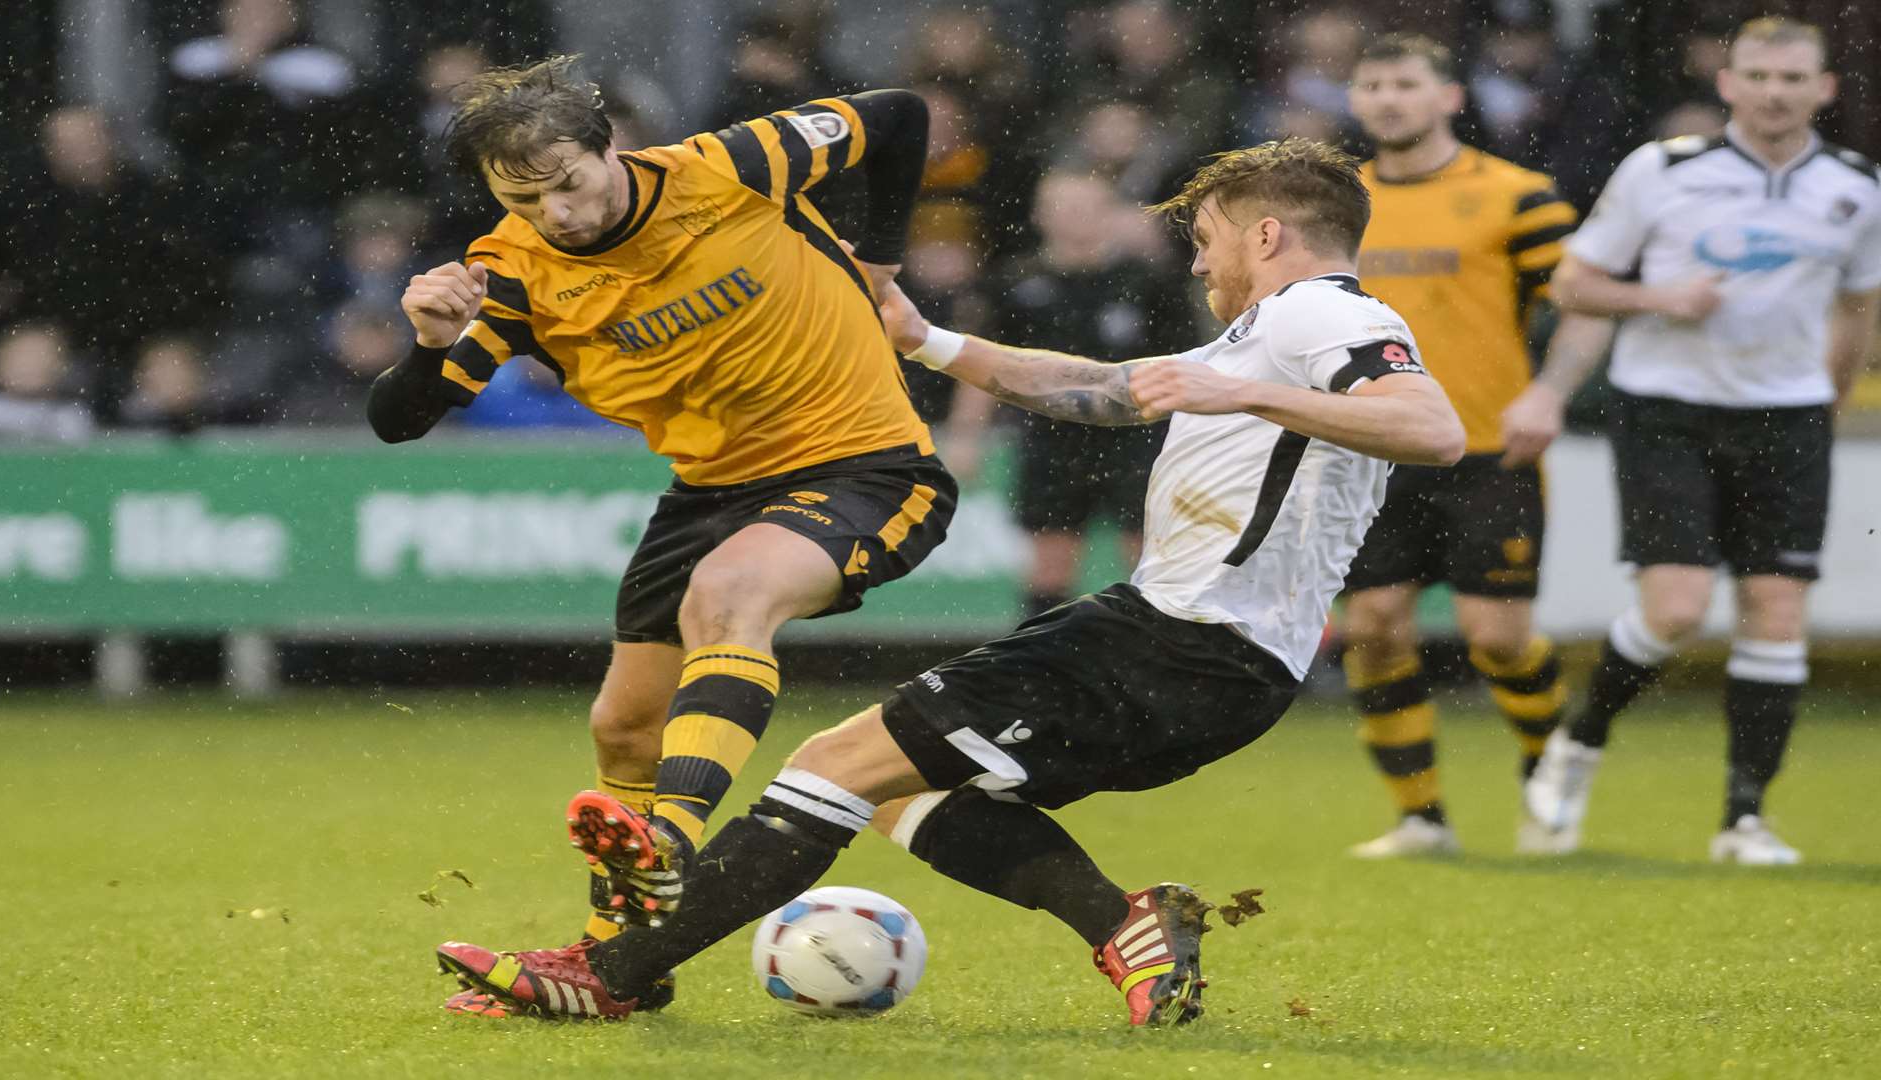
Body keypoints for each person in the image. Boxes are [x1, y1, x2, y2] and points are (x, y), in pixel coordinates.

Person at [434, 138, 1465, 1026]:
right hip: (1208, 658)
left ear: (1268, 234)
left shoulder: (1317, 317)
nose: (1202, 265)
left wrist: (1222, 388)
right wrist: (931, 341)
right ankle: (1125, 925)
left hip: (1180, 640)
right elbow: (1101, 389)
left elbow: (1434, 427)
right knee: (894, 792)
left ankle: (607, 977)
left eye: (1206, 242)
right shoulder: (1259, 340)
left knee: (835, 766)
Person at [367, 56, 953, 1010]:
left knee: (729, 597)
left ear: (611, 147)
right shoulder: (511, 275)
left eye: (570, 182)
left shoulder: (730, 167)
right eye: (526, 197)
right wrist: (431, 345)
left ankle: (671, 837)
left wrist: (880, 260)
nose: (557, 212)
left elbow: (898, 112)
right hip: (709, 491)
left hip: (866, 463)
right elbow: (401, 420)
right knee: (625, 726)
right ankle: (615, 970)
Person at [1522, 18, 1881, 863]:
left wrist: (1824, 401)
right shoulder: (1663, 169)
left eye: (1794, 78)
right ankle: (1581, 741)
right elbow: (1573, 281)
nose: (1775, 92)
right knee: (1677, 611)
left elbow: (1860, 309)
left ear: (1824, 89)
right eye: (1758, 75)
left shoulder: (1859, 187)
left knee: (1777, 607)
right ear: (1728, 84)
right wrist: (1660, 300)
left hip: (1788, 418)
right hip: (1668, 409)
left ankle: (1743, 821)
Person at [1338, 34, 1615, 858]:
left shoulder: (1516, 195)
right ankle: (1420, 818)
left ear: (1449, 97)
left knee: (1496, 635)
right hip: (1370, 450)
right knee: (1375, 628)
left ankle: (1546, 785)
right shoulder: (1332, 203)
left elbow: (1586, 305)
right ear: (1355, 100)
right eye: (1373, 84)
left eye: (1406, 84)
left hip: (1487, 448)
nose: (1389, 99)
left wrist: (1548, 392)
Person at [999, 171, 1193, 616]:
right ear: (1039, 214)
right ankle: (1042, 669)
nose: (1074, 218)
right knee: (1049, 566)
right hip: (1051, 436)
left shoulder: (1149, 282)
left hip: (1137, 435)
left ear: (1110, 213)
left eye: (1086, 207)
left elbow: (1187, 361)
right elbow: (993, 361)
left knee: (1147, 557)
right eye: (1062, 207)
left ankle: (1150, 660)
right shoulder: (1016, 282)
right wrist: (967, 431)